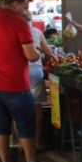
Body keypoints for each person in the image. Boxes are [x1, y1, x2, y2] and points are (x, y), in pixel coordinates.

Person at [0, 0, 55, 162]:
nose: (25, 11)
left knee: (1, 126)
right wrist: (39, 52)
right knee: (25, 124)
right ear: (15, 4)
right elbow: (31, 56)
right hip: (15, 83)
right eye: (24, 7)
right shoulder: (18, 23)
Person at [24, 8, 52, 150]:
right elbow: (49, 54)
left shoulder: (13, 32)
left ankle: (20, 144)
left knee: (19, 109)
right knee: (36, 109)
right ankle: (36, 143)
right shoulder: (36, 32)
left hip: (20, 73)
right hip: (35, 71)